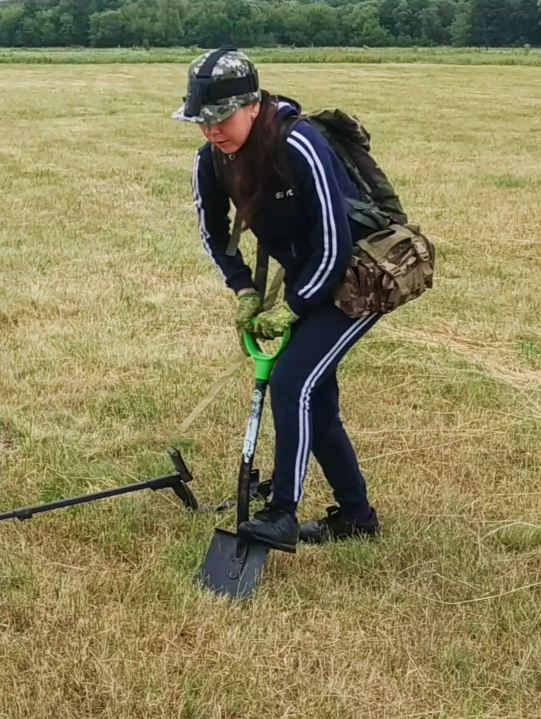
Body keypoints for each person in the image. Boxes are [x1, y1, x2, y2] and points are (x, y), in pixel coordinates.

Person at [172, 48, 381, 551]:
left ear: (251, 105)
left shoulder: (300, 144)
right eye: (201, 121)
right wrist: (243, 287)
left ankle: (282, 512)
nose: (211, 131)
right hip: (311, 278)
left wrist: (294, 305)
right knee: (315, 396)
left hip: (359, 277)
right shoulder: (212, 160)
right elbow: (212, 231)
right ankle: (356, 516)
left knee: (291, 382)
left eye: (221, 118)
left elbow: (336, 244)